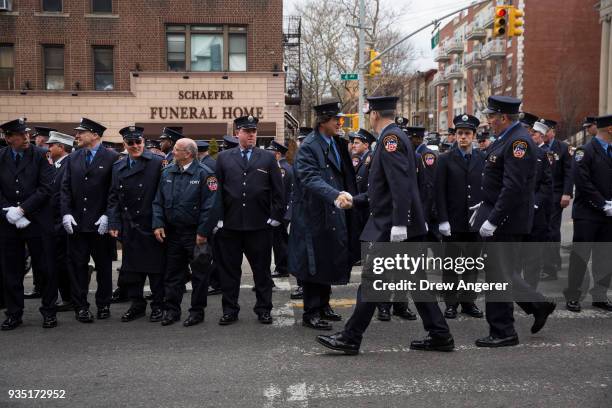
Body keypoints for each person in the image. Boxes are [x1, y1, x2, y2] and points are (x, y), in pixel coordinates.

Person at [316, 96, 454, 355]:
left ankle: (350, 337)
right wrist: (354, 201)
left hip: (394, 227)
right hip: (401, 225)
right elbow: (384, 189)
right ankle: (440, 334)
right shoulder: (394, 138)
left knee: (372, 280)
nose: (369, 117)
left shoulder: (391, 140)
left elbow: (401, 185)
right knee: (415, 282)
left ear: (375, 114)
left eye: (369, 113)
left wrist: (400, 224)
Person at [471, 96, 556, 347]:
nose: (489, 121)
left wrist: (494, 219)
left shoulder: (518, 141)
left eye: (491, 117)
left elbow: (513, 187)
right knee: (501, 273)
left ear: (503, 118)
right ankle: (536, 305)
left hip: (506, 220)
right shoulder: (509, 138)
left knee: (498, 275)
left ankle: (503, 331)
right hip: (500, 214)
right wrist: (486, 205)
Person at [288, 102, 360, 331]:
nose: (340, 123)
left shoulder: (336, 142)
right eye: (335, 120)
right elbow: (309, 178)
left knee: (328, 257)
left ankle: (324, 305)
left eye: (340, 119)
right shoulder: (309, 146)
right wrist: (335, 195)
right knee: (313, 262)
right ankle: (311, 312)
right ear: (322, 122)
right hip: (313, 213)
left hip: (333, 210)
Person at [214, 116, 284, 325]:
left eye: (254, 131)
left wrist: (275, 217)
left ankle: (263, 309)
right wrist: (218, 218)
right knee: (229, 272)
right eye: (247, 131)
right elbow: (217, 191)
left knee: (261, 272)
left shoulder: (267, 158)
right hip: (231, 225)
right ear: (238, 133)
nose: (252, 134)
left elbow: (278, 192)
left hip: (259, 225)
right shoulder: (224, 157)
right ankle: (230, 310)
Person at [152, 138, 221, 326]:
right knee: (172, 274)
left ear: (188, 153)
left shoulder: (205, 174)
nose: (173, 152)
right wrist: (158, 223)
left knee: (199, 274)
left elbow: (211, 206)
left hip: (195, 235)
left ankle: (197, 312)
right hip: (173, 233)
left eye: (176, 149)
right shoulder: (167, 172)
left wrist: (203, 232)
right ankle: (171, 311)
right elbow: (158, 201)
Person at [60, 118, 119, 323]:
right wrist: (66, 212)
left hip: (99, 224)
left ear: (94, 135)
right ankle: (80, 307)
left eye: (81, 132)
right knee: (77, 267)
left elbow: (114, 191)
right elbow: (65, 188)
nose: (76, 136)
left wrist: (107, 215)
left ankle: (104, 304)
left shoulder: (112, 158)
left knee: (103, 267)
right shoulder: (73, 158)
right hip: (77, 223)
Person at [0, 118, 56, 330]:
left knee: (45, 268)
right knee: (11, 270)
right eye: (20, 135)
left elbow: (46, 188)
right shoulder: (1, 157)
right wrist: (9, 211)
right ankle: (14, 313)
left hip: (37, 221)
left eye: (27, 134)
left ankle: (49, 311)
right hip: (8, 222)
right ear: (8, 138)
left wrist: (22, 210)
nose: (26, 138)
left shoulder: (41, 155)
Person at [107, 126, 166, 323]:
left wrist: (161, 221)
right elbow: (113, 197)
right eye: (130, 143)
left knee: (156, 269)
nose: (135, 146)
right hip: (130, 225)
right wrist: (113, 221)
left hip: (152, 224)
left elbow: (164, 195)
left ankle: (159, 304)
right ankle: (137, 304)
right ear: (124, 144)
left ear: (144, 141)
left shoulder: (158, 163)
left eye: (138, 142)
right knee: (132, 269)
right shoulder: (118, 167)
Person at [436, 114, 485, 319]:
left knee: (471, 265)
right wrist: (443, 219)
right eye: (459, 133)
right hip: (453, 221)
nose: (462, 137)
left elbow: (487, 190)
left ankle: (468, 301)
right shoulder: (445, 159)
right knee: (451, 266)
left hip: (474, 222)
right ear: (454, 136)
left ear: (473, 135)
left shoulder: (483, 158)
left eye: (466, 133)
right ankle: (450, 303)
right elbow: (438, 192)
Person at [564, 114, 612, 312]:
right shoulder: (585, 151)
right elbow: (582, 182)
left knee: (605, 256)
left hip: (609, 214)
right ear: (610, 129)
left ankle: (600, 295)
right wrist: (603, 204)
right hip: (588, 214)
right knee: (580, 256)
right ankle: (573, 295)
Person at [522, 120, 554, 289]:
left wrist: (535, 203)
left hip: (536, 211)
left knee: (533, 255)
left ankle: (530, 291)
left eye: (531, 132)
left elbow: (547, 183)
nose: (529, 135)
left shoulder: (543, 154)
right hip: (517, 211)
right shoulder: (519, 151)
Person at [541, 119, 573, 281]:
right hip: (542, 195)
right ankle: (554, 261)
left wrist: (567, 193)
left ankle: (551, 266)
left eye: (546, 131)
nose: (543, 134)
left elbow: (569, 172)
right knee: (548, 229)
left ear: (552, 131)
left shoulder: (562, 148)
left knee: (551, 230)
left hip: (556, 194)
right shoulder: (539, 147)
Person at [46, 131, 75, 312]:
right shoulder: (57, 165)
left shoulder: (67, 165)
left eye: (52, 145)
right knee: (59, 260)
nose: (48, 148)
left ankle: (69, 298)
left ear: (61, 147)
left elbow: (63, 194)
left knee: (63, 261)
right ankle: (67, 295)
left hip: (62, 221)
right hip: (54, 221)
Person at [266, 141, 294, 279]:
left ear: (277, 154)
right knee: (281, 240)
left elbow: (279, 193)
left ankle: (282, 267)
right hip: (284, 210)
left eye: (271, 152)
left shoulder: (282, 169)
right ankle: (283, 266)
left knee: (279, 241)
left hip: (281, 211)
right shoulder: (284, 166)